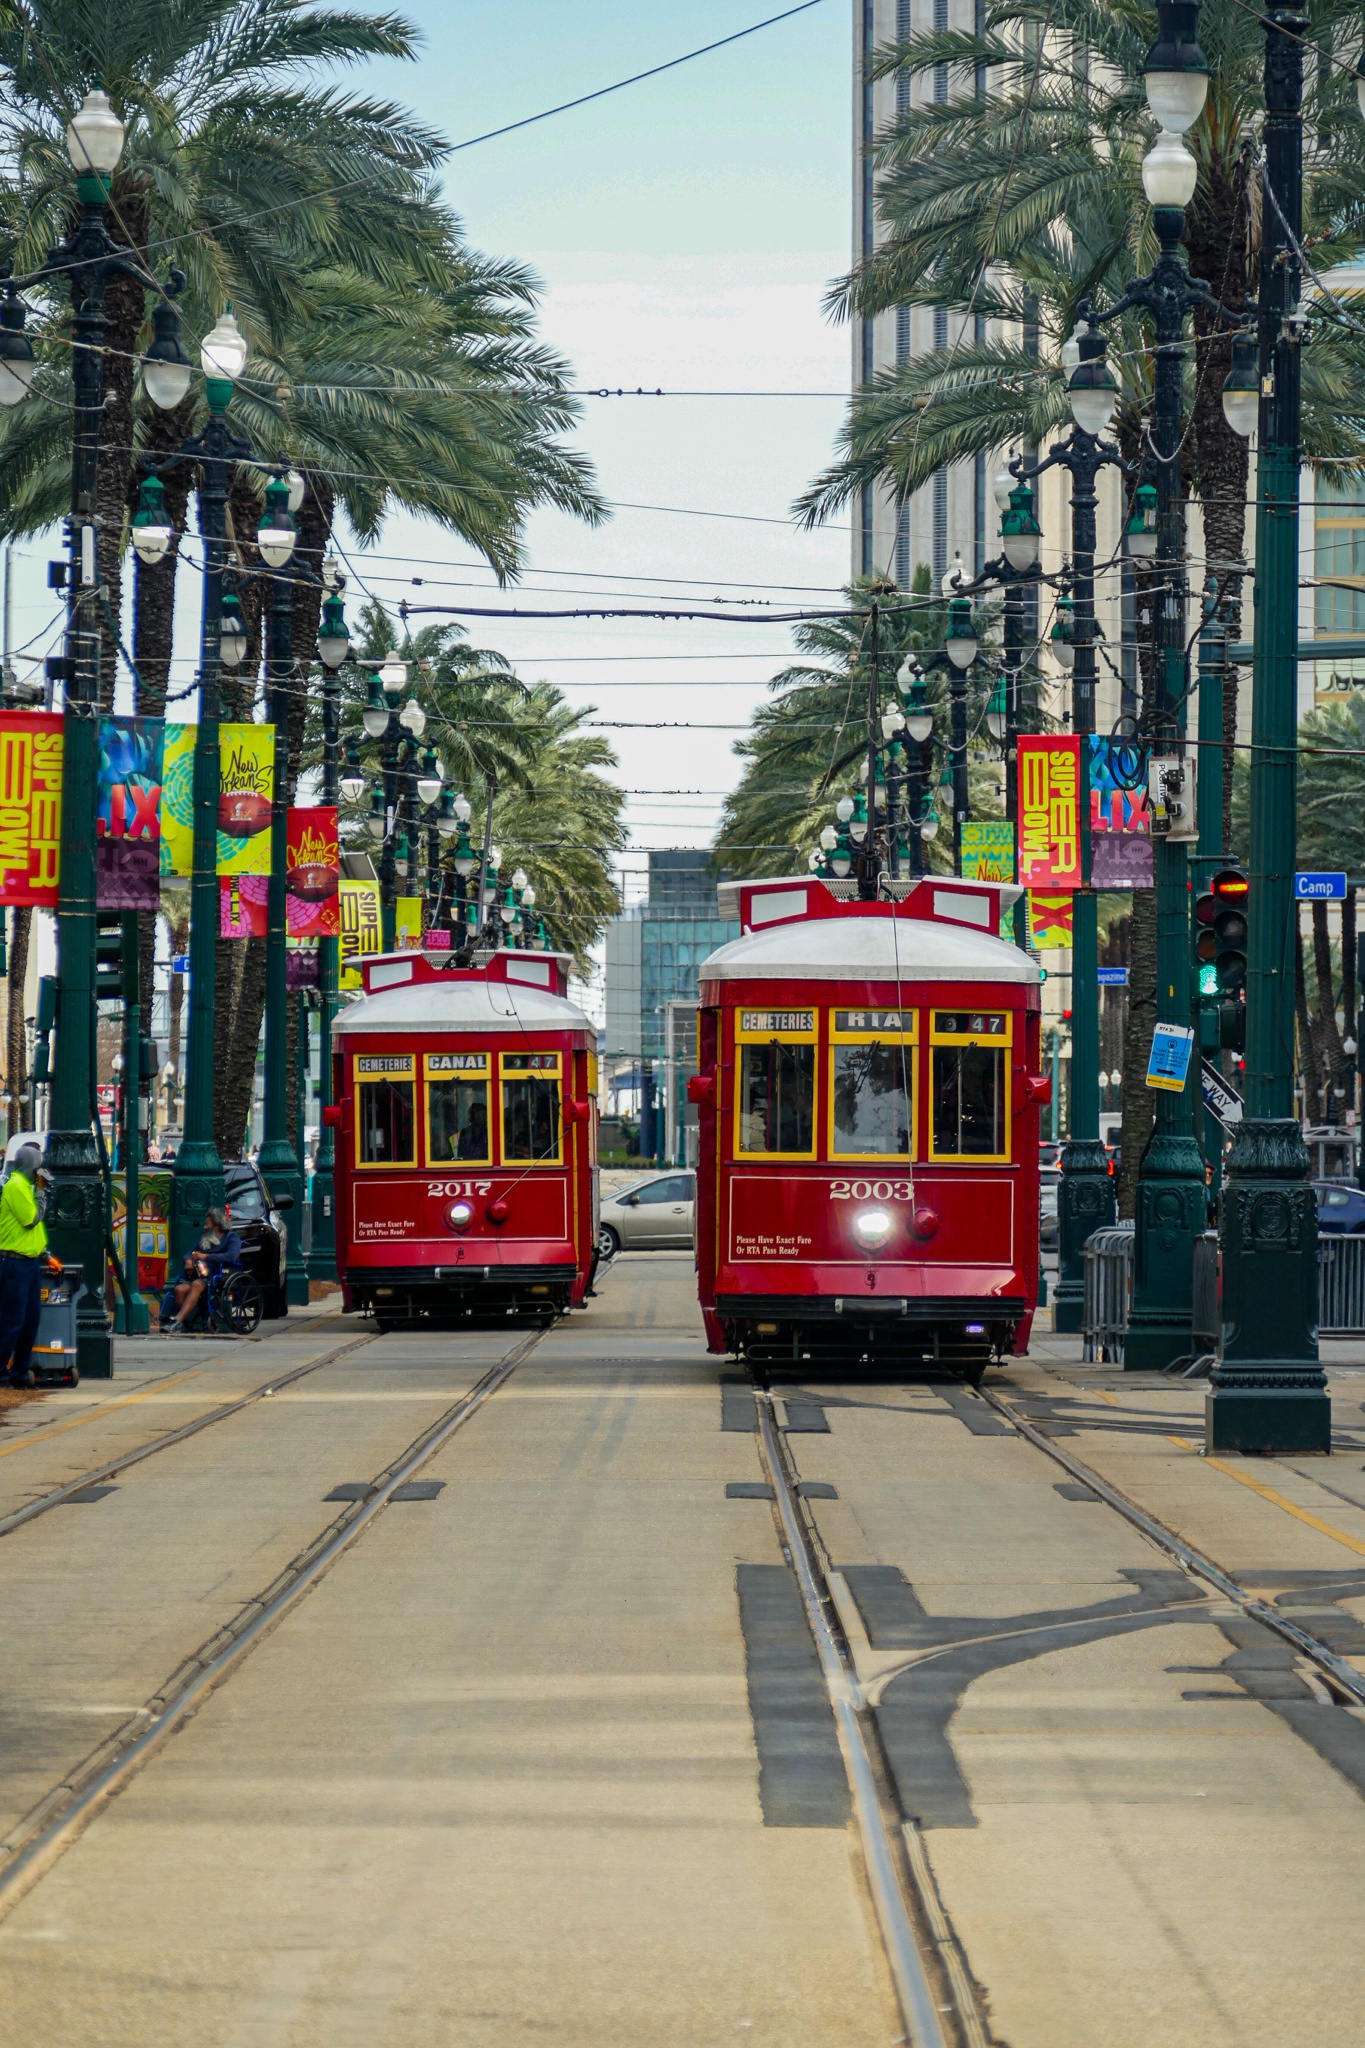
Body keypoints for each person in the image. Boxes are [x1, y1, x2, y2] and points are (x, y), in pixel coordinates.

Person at [0, 1142, 49, 1389]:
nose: (41, 1173)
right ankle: (2, 1372)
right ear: (31, 1166)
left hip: (29, 1263)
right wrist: (41, 1193)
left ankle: (19, 1372)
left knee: (30, 1321)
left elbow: (31, 1233)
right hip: (14, 1263)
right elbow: (30, 1220)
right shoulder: (16, 1186)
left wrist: (44, 1255)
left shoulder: (26, 1188)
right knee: (12, 1320)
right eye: (39, 1167)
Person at [162, 1207, 242, 1335]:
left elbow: (231, 1256)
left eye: (207, 1224)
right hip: (198, 1274)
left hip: (217, 1275)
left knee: (196, 1285)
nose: (205, 1227)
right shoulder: (205, 1239)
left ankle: (177, 1321)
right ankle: (185, 1316)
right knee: (179, 1289)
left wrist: (206, 1256)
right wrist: (188, 1260)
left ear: (216, 1226)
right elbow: (190, 1252)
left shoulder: (232, 1237)